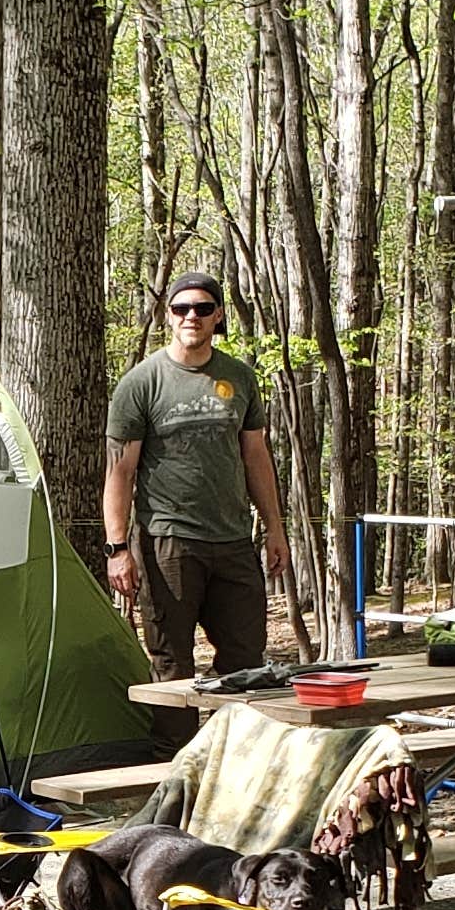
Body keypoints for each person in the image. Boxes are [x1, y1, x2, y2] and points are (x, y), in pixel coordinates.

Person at [102, 276, 292, 700]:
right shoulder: (141, 383)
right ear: (167, 315)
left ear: (218, 316)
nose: (192, 316)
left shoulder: (239, 378)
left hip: (233, 541)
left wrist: (275, 528)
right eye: (182, 308)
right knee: (172, 664)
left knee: (246, 661)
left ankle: (235, 756)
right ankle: (173, 758)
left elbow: (256, 457)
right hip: (168, 542)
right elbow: (120, 471)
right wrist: (118, 549)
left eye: (203, 308)